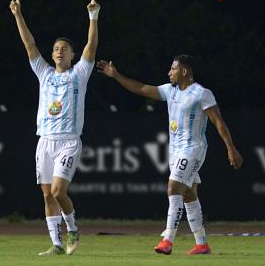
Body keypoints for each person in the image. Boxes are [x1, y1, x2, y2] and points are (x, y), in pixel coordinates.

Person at [97, 55, 243, 255]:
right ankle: (201, 244)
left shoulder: (202, 93)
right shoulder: (170, 90)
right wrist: (116, 76)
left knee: (173, 186)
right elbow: (140, 88)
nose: (169, 73)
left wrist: (231, 148)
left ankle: (167, 241)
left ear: (184, 72)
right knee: (189, 193)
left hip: (193, 149)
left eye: (173, 69)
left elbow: (219, 122)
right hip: (175, 152)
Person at [9, 0, 100, 256]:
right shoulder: (44, 73)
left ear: (72, 55)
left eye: (64, 49)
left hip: (68, 141)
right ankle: (57, 244)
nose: (59, 52)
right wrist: (18, 15)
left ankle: (72, 229)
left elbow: (91, 47)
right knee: (47, 195)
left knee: (60, 191)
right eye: (56, 49)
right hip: (45, 141)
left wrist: (93, 16)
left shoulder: (79, 74)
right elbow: (29, 46)